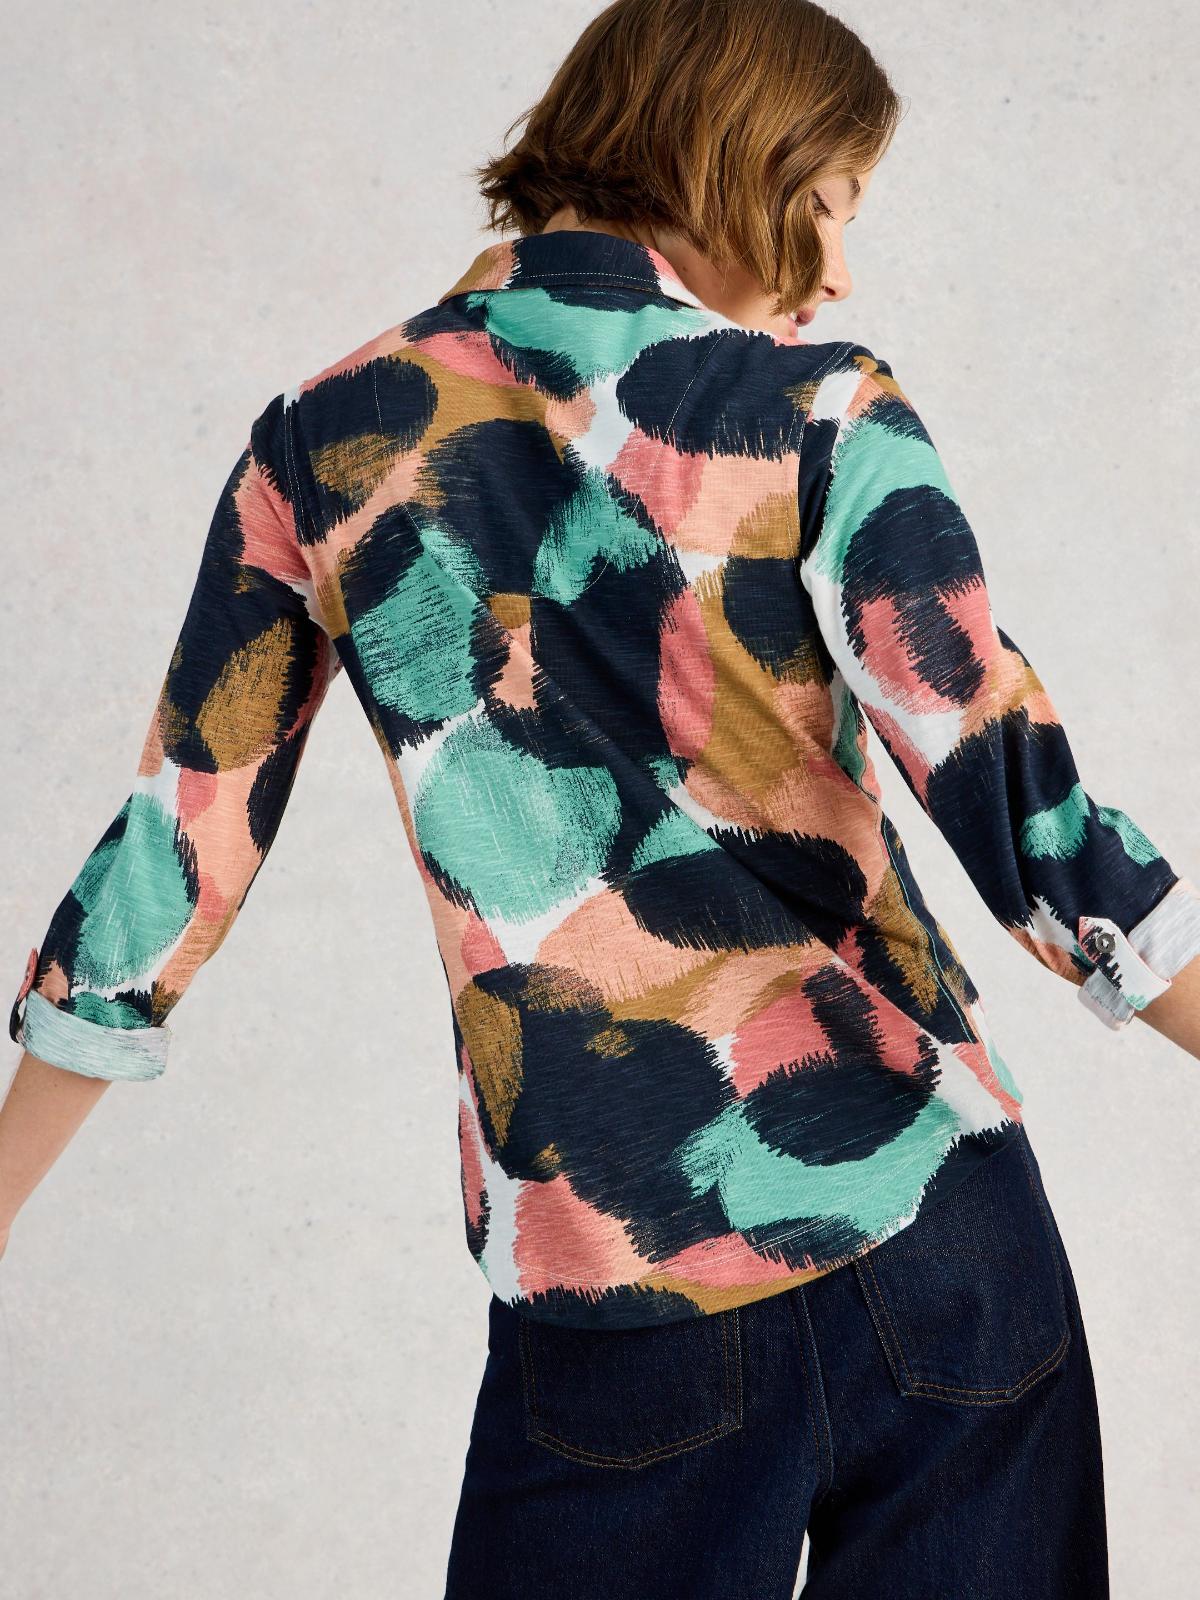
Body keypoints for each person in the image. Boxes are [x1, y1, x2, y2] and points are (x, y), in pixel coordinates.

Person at [3, 0, 1199, 1594]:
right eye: (830, 201)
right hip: (938, 1244)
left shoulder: (321, 445)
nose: (840, 270)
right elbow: (1021, 799)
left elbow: (178, 848)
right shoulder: (822, 410)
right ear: (728, 151)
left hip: (613, 1280)